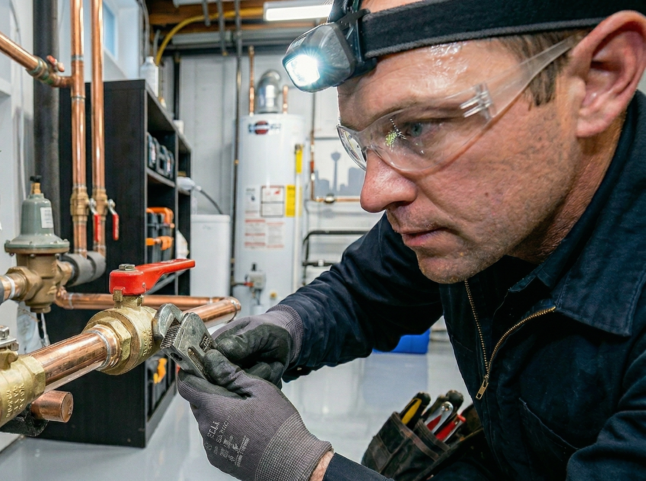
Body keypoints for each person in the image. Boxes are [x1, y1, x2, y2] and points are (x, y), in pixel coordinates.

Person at [177, 0, 646, 479]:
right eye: (366, 143)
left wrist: (303, 468)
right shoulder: (472, 216)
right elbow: (363, 293)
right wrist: (288, 329)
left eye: (417, 128)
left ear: (598, 80)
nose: (372, 194)